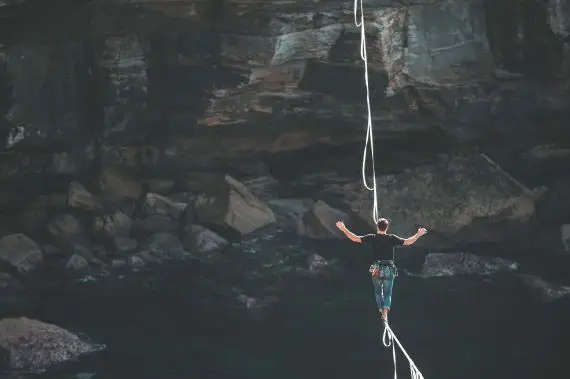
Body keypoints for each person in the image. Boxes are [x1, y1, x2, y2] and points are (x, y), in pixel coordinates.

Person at [336, 218, 427, 324]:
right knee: (388, 293)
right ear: (387, 227)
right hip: (389, 268)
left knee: (378, 292)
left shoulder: (372, 237)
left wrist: (344, 229)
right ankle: (385, 314)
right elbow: (407, 242)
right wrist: (418, 234)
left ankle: (381, 309)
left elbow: (355, 238)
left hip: (376, 268)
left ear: (377, 227)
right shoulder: (391, 238)